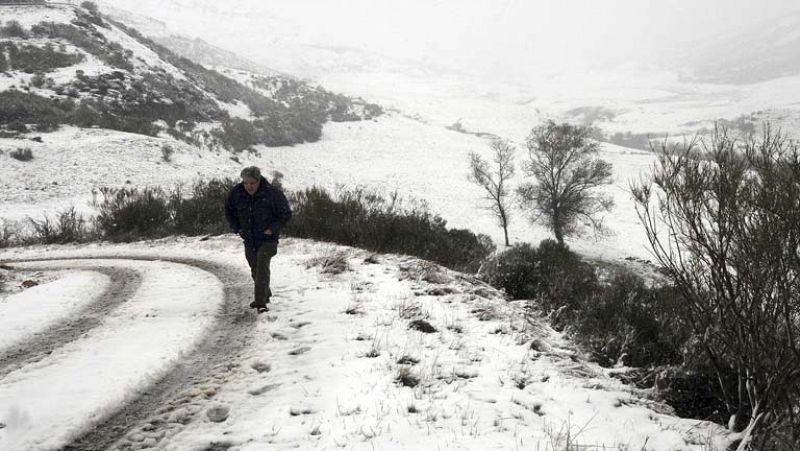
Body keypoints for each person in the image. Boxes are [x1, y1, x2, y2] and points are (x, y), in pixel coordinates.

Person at [224, 166, 292, 312]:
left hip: (268, 239)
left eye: (252, 183)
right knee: (255, 268)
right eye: (246, 183)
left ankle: (260, 303)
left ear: (259, 181)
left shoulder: (273, 194)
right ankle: (265, 292)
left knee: (261, 265)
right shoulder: (236, 193)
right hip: (249, 239)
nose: (249, 186)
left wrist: (272, 228)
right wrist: (238, 228)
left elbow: (285, 214)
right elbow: (229, 211)